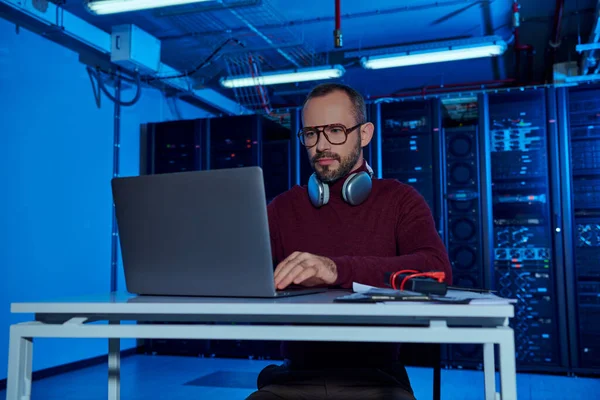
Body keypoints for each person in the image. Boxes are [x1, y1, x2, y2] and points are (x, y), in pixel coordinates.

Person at [246, 83, 452, 399]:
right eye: (311, 133)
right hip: (295, 377)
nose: (322, 146)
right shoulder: (284, 208)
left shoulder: (400, 200)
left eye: (336, 131)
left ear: (365, 134)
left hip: (377, 378)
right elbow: (245, 271)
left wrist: (337, 270)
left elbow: (438, 275)